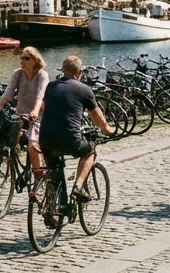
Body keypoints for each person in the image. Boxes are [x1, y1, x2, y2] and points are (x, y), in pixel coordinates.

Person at [38, 56, 115, 201]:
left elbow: (43, 107)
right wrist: (108, 130)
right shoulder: (84, 89)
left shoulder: (50, 86)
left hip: (46, 139)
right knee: (90, 151)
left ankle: (54, 207)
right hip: (69, 139)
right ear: (79, 72)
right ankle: (78, 187)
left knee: (54, 168)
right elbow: (97, 117)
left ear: (62, 70)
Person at [0, 47, 49, 175]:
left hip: (38, 117)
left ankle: (39, 175)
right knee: (10, 137)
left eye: (26, 58)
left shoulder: (41, 75)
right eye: (21, 58)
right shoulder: (18, 73)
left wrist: (35, 111)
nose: (22, 61)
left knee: (33, 145)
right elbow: (8, 93)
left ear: (35, 60)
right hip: (20, 115)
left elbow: (40, 95)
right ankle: (11, 161)